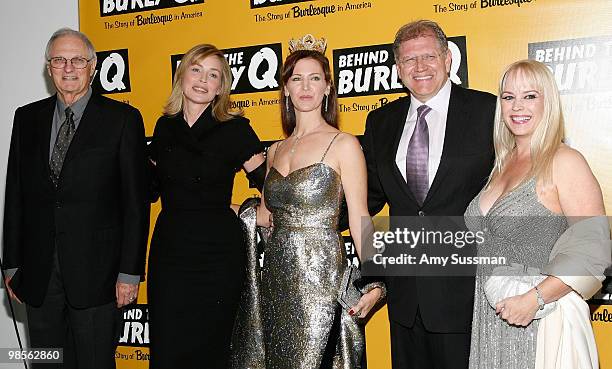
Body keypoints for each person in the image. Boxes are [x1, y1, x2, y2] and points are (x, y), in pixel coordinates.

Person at [2, 28, 149, 369]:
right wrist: (11, 265)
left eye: (77, 60)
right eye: (59, 59)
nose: (68, 67)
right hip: (37, 275)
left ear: (93, 66)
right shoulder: (26, 118)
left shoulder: (123, 119)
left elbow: (135, 205)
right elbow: (15, 196)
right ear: (48, 66)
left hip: (98, 275)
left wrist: (129, 273)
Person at [361, 20, 496, 369]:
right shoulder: (381, 123)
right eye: (409, 60)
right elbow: (370, 198)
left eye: (429, 56)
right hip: (404, 298)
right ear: (398, 70)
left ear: (448, 59)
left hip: (469, 293)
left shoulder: (488, 112)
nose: (420, 67)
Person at [465, 59, 610, 369]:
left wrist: (535, 299)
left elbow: (595, 248)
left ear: (549, 102)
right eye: (508, 97)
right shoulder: (502, 163)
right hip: (491, 319)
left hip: (540, 322)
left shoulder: (564, 160)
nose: (517, 106)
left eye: (530, 96)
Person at [250, 35, 383, 368]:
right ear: (285, 89)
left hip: (322, 277)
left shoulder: (344, 145)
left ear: (327, 88)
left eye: (315, 78)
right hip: (278, 279)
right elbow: (265, 217)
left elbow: (360, 218)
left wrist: (376, 278)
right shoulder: (275, 151)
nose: (305, 87)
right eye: (297, 78)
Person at [147, 43, 266, 369]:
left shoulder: (235, 128)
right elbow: (151, 188)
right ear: (182, 75)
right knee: (167, 345)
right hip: (170, 250)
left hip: (217, 254)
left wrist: (246, 208)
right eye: (196, 70)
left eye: (213, 74)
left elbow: (269, 184)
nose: (202, 80)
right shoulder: (164, 127)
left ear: (220, 87)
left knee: (213, 348)